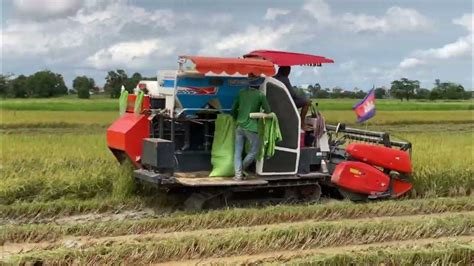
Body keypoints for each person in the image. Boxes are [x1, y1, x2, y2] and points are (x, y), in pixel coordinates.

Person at [231, 73, 271, 181]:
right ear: (259, 84)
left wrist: (236, 118)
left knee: (238, 152)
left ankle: (238, 175)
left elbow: (233, 110)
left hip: (239, 126)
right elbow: (268, 111)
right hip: (251, 128)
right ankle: (241, 169)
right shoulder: (260, 95)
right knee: (254, 151)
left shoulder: (241, 93)